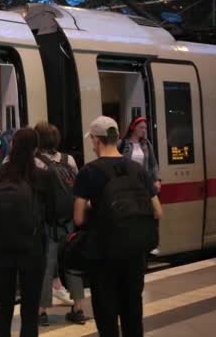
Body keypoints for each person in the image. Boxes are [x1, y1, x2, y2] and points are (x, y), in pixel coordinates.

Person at [73, 116, 163, 337]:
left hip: (102, 254)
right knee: (133, 311)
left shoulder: (89, 172)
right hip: (134, 253)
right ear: (116, 138)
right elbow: (158, 211)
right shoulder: (137, 169)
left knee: (106, 314)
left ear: (96, 140)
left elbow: (78, 218)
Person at [0, 127, 51, 337]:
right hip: (31, 250)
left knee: (3, 308)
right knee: (30, 311)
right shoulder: (41, 176)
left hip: (1, 250)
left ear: (12, 146)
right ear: (35, 150)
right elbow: (53, 211)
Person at [34, 122, 87, 326]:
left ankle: (41, 312)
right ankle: (78, 308)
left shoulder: (35, 162)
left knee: (46, 266)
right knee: (72, 264)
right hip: (69, 222)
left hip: (47, 224)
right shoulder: (69, 160)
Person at [118, 116, 161, 193]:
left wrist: (157, 180)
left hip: (144, 183)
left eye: (145, 128)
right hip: (127, 184)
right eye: (141, 127)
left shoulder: (146, 144)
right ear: (133, 127)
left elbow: (153, 163)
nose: (144, 130)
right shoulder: (122, 143)